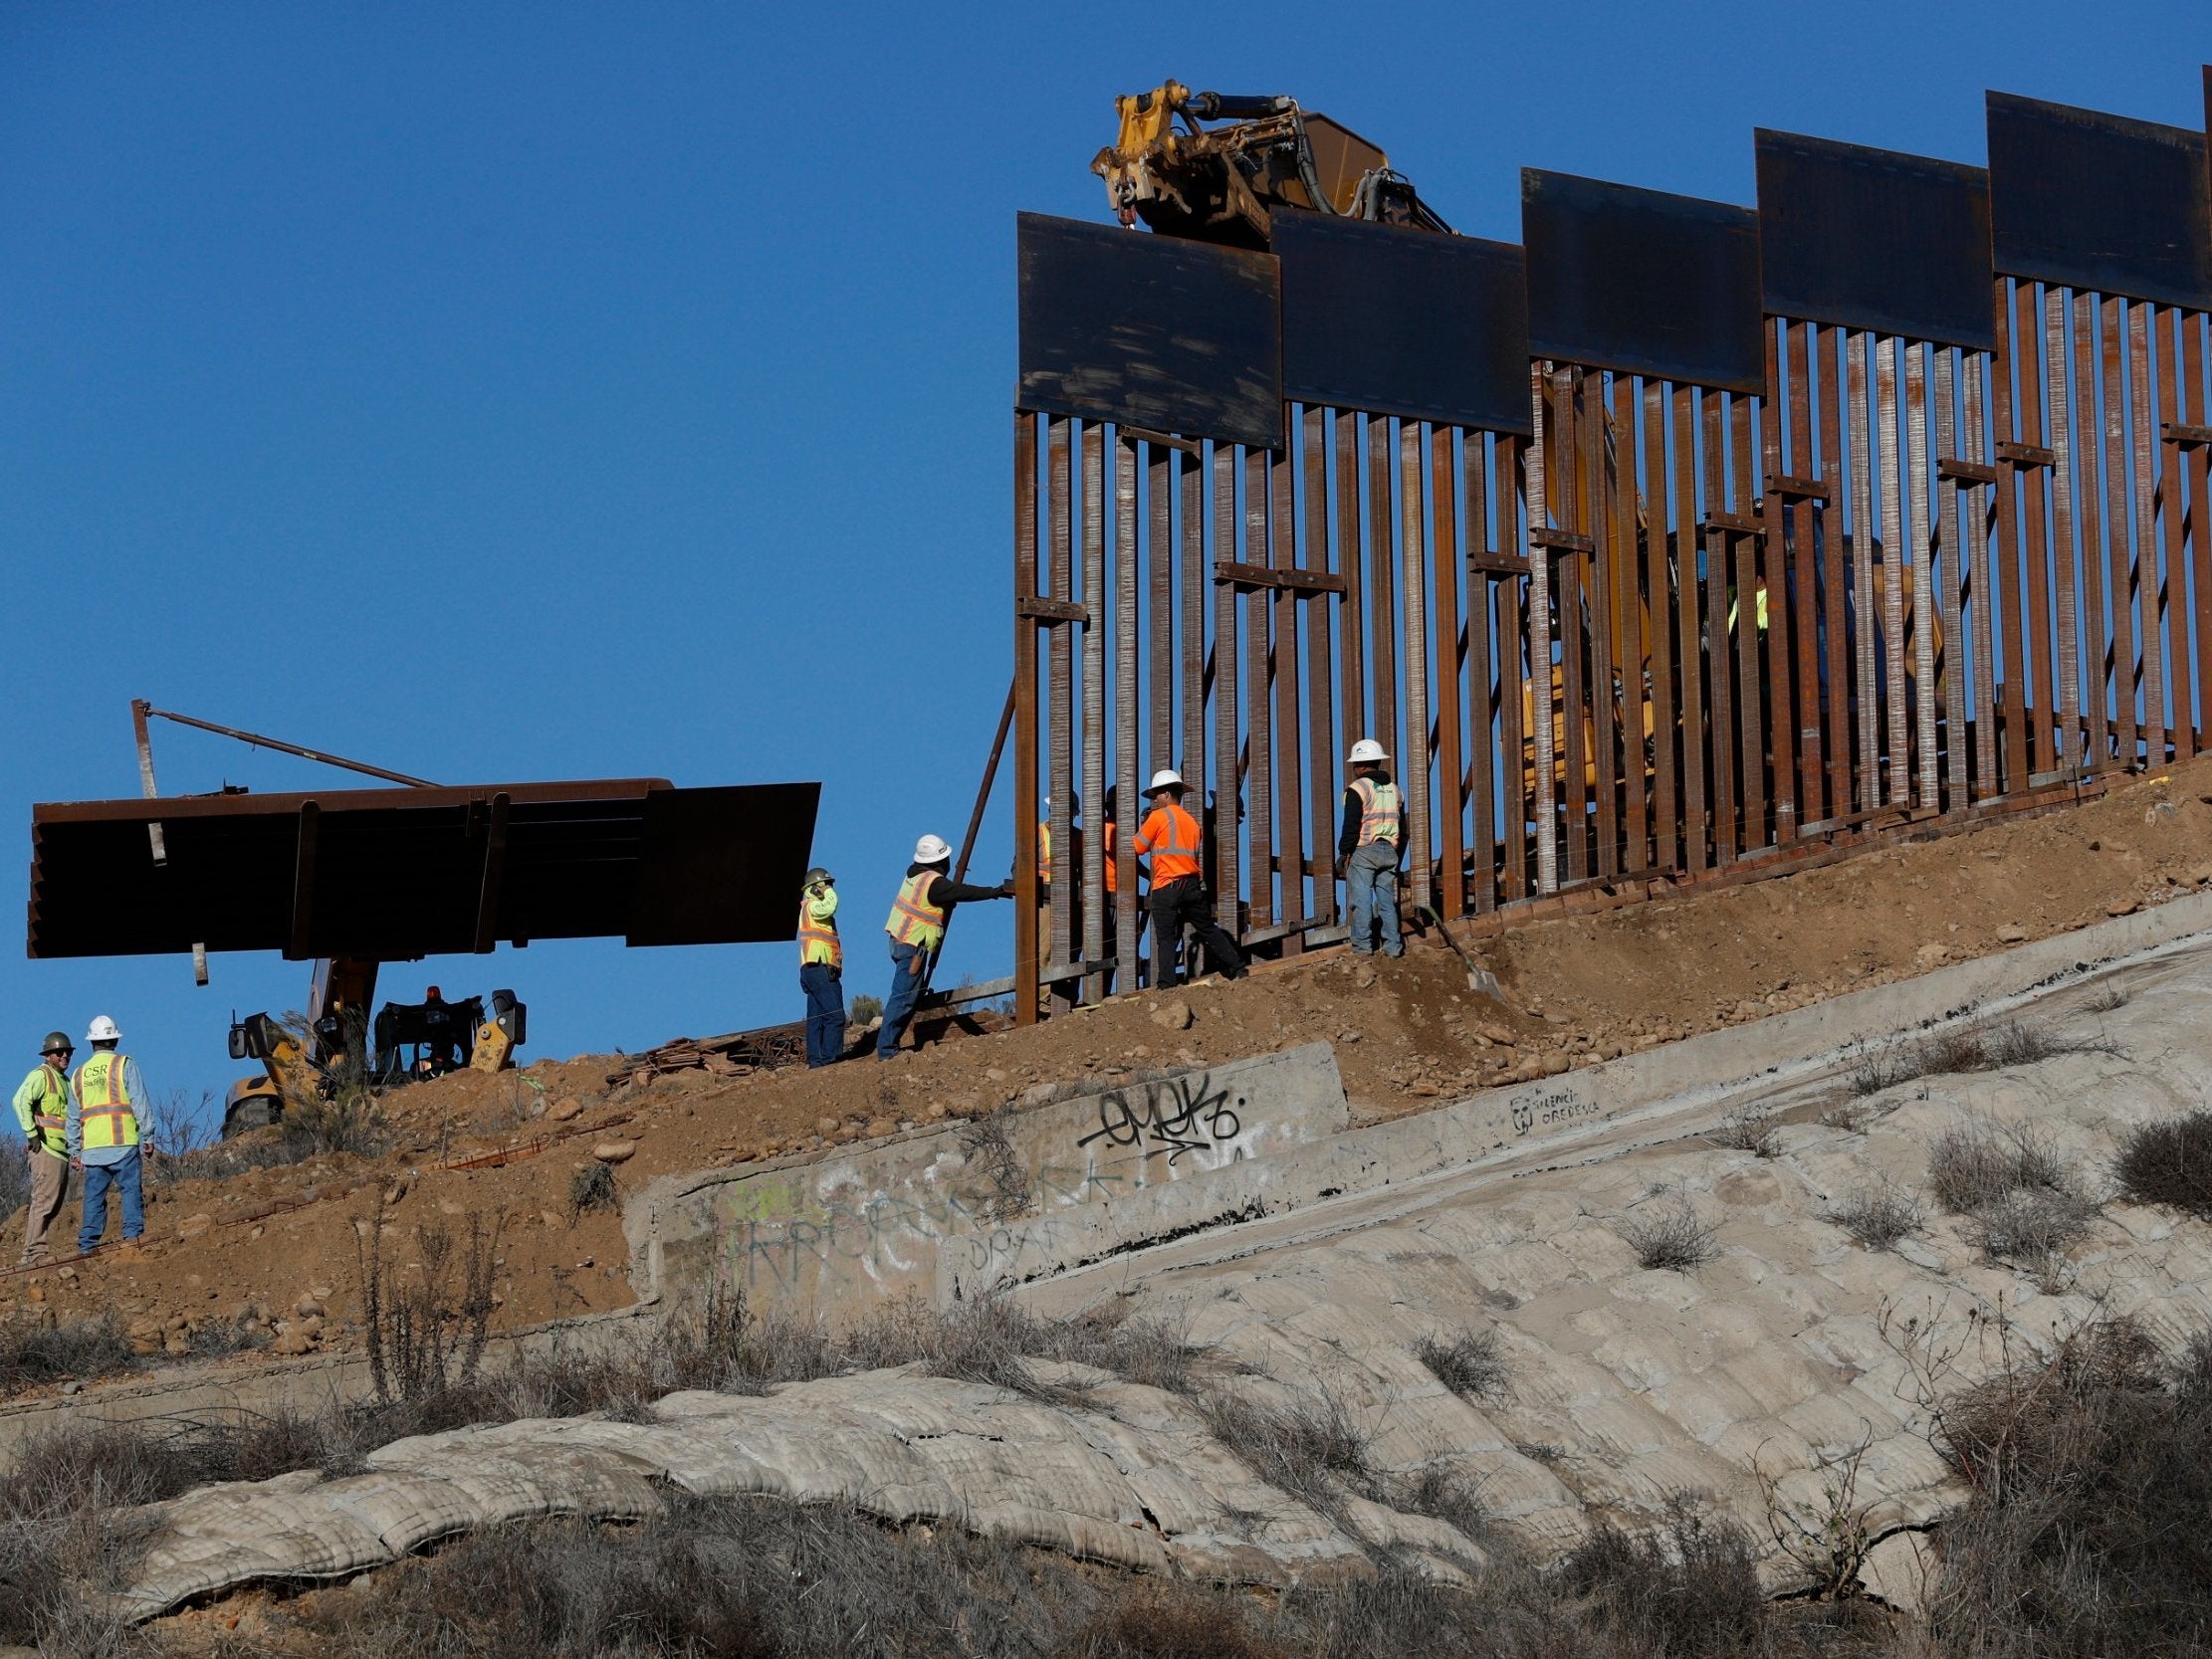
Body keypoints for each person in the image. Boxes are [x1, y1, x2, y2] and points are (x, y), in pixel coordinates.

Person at [879, 834, 1013, 1060]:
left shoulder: (914, 874)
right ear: (939, 861)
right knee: (902, 998)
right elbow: (961, 892)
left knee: (907, 997)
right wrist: (994, 892)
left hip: (900, 940)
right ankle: (887, 1050)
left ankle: (888, 1046)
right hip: (913, 946)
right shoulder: (933, 883)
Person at [1133, 769, 1246, 987]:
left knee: (1165, 938)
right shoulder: (1192, 822)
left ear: (1166, 794)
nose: (1154, 800)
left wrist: (1145, 827)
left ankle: (1166, 985)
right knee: (1208, 929)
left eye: (1156, 795)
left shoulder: (1158, 817)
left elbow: (1138, 846)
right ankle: (1238, 968)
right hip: (1192, 886)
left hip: (1166, 886)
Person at [68, 1015, 150, 1254]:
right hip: (123, 1142)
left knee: (93, 1198)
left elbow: (72, 1117)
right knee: (131, 1191)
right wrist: (149, 1136)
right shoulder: (124, 1064)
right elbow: (140, 1103)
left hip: (92, 1150)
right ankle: (133, 1239)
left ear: (91, 1042)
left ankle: (87, 1245)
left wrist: (74, 1151)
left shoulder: (79, 1073)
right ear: (115, 1039)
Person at [1337, 738, 1407, 958]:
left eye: (1355, 764)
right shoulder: (1395, 790)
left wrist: (1343, 851)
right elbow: (1402, 828)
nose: (1354, 769)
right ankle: (1393, 947)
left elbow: (1351, 823)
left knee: (1361, 900)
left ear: (1362, 765)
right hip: (1390, 852)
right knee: (1387, 901)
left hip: (1365, 851)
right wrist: (1397, 854)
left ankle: (1363, 947)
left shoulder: (1358, 788)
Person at [11, 1032, 74, 1266]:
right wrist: (31, 1134)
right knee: (44, 1200)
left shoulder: (64, 1081)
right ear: (49, 1056)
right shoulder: (41, 1076)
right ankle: (34, 1252)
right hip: (45, 1148)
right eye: (60, 1052)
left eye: (68, 1052)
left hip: (61, 1149)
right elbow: (20, 1101)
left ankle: (34, 1251)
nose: (65, 1055)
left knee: (53, 1202)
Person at [797, 866, 845, 1068]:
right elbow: (831, 906)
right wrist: (828, 892)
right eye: (825, 884)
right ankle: (831, 1059)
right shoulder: (813, 906)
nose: (829, 887)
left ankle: (816, 1061)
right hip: (819, 968)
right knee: (836, 1016)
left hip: (812, 970)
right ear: (815, 887)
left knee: (817, 1019)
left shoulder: (809, 909)